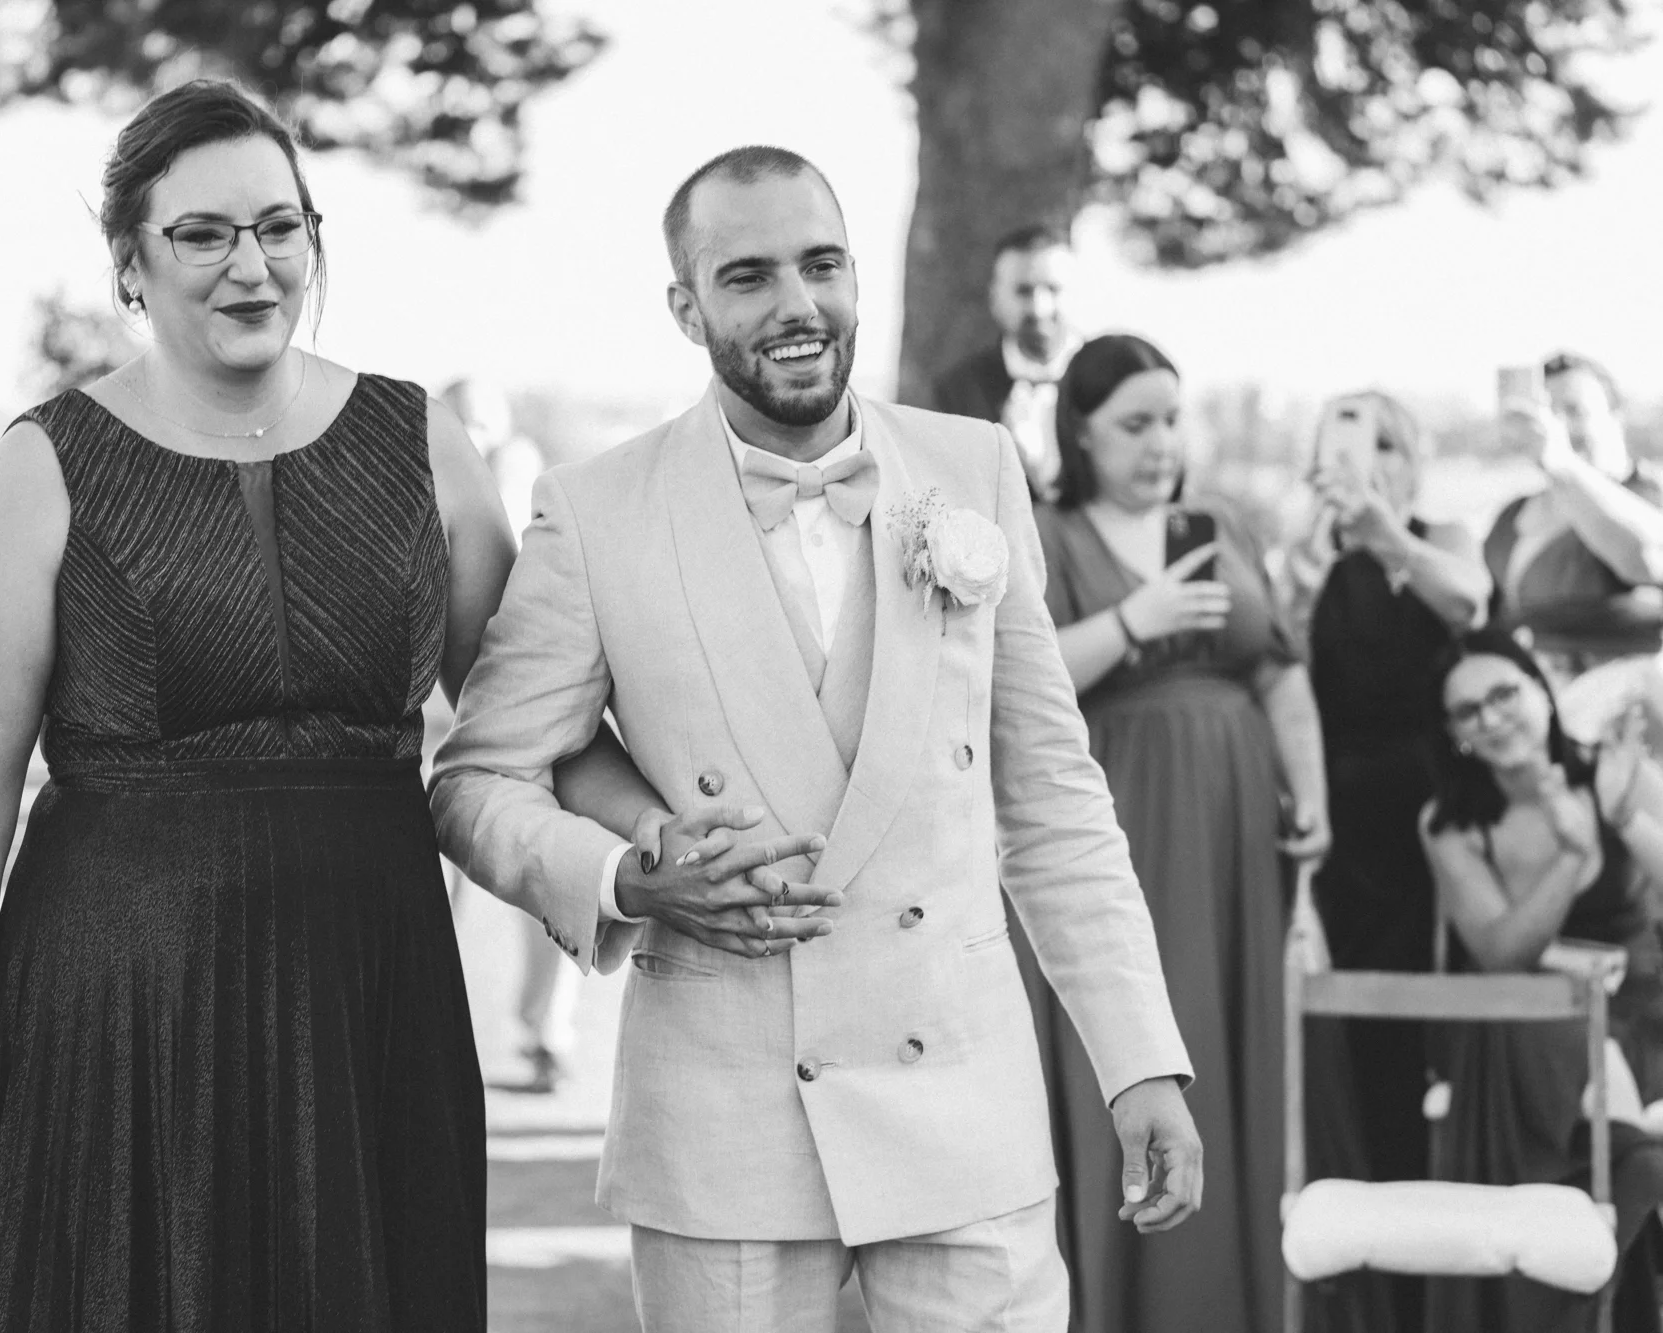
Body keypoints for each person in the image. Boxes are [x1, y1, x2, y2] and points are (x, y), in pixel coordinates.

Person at [432, 146, 1199, 1332]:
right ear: (685, 306)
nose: (796, 303)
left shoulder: (971, 469)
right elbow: (479, 779)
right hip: (723, 1118)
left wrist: (1139, 1056)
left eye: (821, 264)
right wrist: (626, 875)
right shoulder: (596, 511)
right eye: (746, 276)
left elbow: (1052, 797)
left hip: (961, 1100)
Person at [0, 80, 563, 1329]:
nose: (252, 265)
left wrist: (662, 846)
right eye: (202, 234)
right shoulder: (43, 470)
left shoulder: (423, 444)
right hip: (117, 1028)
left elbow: (529, 730)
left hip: (372, 1013)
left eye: (280, 227)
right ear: (130, 264)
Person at [1023, 333, 1332, 1332]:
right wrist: (1134, 620)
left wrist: (1309, 790)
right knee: (1139, 1034)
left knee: (1230, 1042)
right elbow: (1020, 678)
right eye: (1133, 424)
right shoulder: (1046, 530)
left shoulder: (1218, 523)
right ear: (1080, 431)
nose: (1160, 443)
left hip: (1236, 832)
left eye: (1169, 419)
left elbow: (1277, 667)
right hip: (1118, 821)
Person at [1286, 391, 1492, 1331]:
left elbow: (1473, 601)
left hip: (1433, 820)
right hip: (1338, 825)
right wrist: (1314, 551)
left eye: (1382, 448)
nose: (1366, 467)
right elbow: (1282, 665)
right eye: (1344, 449)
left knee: (1436, 1043)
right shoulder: (1307, 558)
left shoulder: (1438, 536)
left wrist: (1383, 535)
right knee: (1359, 1052)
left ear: (1410, 460)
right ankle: (1365, 1278)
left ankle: (1444, 1280)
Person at [1420, 630, 1663, 1332]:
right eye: (1469, 711)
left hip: (1641, 1010)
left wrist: (1622, 817)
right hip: (1532, 1030)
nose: (1492, 718)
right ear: (1455, 734)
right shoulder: (1451, 824)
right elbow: (1501, 954)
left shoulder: (1614, 770)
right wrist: (1571, 856)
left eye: (1505, 693)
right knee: (1559, 1039)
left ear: (1542, 691)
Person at [430, 376, 576, 1093]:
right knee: (433, 890)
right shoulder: (422, 479)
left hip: (521, 715)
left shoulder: (523, 477)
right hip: (436, 726)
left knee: (546, 873)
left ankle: (548, 1032)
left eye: (483, 421)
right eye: (461, 420)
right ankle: (423, 1030)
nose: (474, 435)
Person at [1486, 352, 1663, 693]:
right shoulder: (1511, 517)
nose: (1556, 426)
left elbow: (1645, 559)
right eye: (1547, 412)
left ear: (1616, 415)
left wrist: (1559, 459)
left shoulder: (1649, 496)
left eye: (1574, 411)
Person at [928, 224, 1081, 500]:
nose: (1039, 308)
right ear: (995, 298)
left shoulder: (1114, 379)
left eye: (1053, 289)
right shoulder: (958, 391)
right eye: (1023, 291)